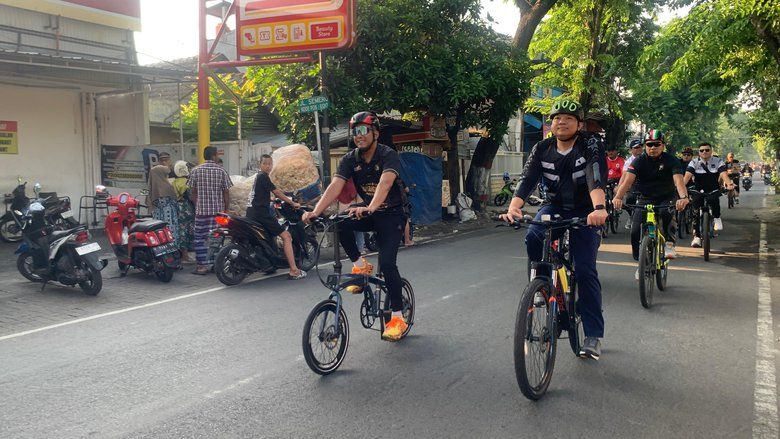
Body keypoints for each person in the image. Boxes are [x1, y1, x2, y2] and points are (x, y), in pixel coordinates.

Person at [501, 99, 608, 360]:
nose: (561, 121)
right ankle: (540, 284)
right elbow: (527, 180)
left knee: (584, 269)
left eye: (568, 118)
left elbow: (595, 175)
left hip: (587, 211)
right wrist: (514, 207)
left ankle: (593, 335)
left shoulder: (590, 144)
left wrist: (599, 208)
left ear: (579, 124)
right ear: (551, 124)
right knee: (533, 235)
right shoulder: (542, 148)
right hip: (555, 206)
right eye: (556, 117)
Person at [303, 111, 411, 342]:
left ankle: (398, 317)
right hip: (369, 210)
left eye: (364, 131)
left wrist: (370, 207)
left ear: (375, 134)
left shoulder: (387, 155)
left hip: (393, 214)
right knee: (339, 223)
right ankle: (360, 265)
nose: (359, 136)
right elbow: (335, 186)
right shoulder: (350, 159)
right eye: (355, 132)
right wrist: (315, 212)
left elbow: (385, 183)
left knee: (388, 264)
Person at [613, 130, 689, 279]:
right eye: (649, 145)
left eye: (656, 144)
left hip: (666, 197)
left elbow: (678, 181)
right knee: (635, 231)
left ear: (663, 145)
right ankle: (640, 263)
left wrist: (684, 197)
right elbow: (627, 181)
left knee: (667, 214)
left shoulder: (672, 160)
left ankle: (669, 244)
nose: (652, 148)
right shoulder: (639, 161)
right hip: (645, 198)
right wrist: (618, 197)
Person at [246, 154, 306, 279]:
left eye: (270, 164)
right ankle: (294, 270)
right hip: (261, 214)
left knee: (268, 237)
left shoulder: (258, 177)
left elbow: (260, 195)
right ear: (260, 165)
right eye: (265, 163)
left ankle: (269, 264)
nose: (268, 166)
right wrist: (292, 202)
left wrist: (272, 199)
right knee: (287, 236)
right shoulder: (263, 176)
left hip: (251, 213)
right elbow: (277, 192)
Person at [188, 146, 233, 275]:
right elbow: (226, 192)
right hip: (218, 212)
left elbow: (193, 193)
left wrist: (198, 205)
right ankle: (215, 264)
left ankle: (201, 267)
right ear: (214, 156)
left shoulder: (195, 171)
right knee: (217, 237)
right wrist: (226, 209)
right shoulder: (221, 171)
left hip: (201, 212)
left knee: (199, 238)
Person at [683, 142, 734, 247]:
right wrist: (681, 188)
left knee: (714, 200)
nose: (704, 152)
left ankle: (717, 217)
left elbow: (723, 174)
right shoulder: (693, 162)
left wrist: (729, 184)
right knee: (695, 212)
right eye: (702, 150)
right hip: (698, 190)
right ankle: (696, 237)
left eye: (707, 150)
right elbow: (687, 176)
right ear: (699, 152)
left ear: (711, 151)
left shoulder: (718, 161)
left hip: (713, 189)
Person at [148, 164, 179, 250]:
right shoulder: (167, 186)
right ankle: (172, 251)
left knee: (159, 235)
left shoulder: (152, 186)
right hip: (170, 216)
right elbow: (174, 201)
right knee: (170, 234)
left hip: (157, 216)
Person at [172, 160, 195, 263]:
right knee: (187, 232)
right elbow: (190, 197)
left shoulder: (174, 182)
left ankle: (183, 255)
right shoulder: (186, 182)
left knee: (181, 232)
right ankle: (185, 257)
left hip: (178, 208)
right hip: (186, 208)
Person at [621, 139, 643, 229]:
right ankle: (631, 216)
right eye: (636, 147)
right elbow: (624, 175)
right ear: (631, 150)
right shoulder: (628, 161)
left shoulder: (648, 157)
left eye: (640, 147)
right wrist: (620, 187)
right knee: (629, 200)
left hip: (646, 184)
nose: (639, 149)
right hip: (633, 185)